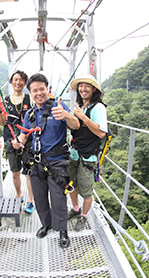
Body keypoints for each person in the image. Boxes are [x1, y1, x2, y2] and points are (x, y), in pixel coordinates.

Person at [11, 73, 80, 248]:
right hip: (37, 162)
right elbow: (24, 136)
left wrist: (65, 115)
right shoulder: (30, 114)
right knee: (40, 198)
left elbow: (76, 125)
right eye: (35, 90)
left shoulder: (58, 106)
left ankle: (62, 230)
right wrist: (18, 142)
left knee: (58, 198)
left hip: (57, 162)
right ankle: (46, 224)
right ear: (31, 93)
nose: (39, 93)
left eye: (42, 89)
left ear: (47, 89)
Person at [67, 74, 107, 231]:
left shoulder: (98, 108)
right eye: (81, 86)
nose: (83, 89)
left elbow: (101, 133)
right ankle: (75, 209)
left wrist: (83, 118)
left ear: (94, 89)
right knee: (72, 184)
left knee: (86, 190)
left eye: (87, 86)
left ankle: (83, 216)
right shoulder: (80, 106)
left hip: (88, 156)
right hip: (74, 152)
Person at [0, 70, 35, 214]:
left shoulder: (30, 99)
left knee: (29, 173)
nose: (18, 82)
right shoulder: (5, 100)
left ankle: (30, 201)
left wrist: (23, 139)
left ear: (25, 83)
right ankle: (19, 195)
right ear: (11, 82)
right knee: (15, 172)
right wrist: (0, 110)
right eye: (15, 79)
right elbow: (3, 123)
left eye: (21, 80)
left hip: (27, 141)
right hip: (10, 140)